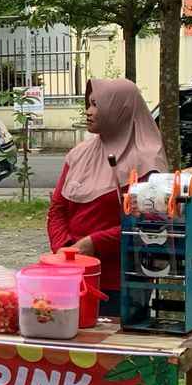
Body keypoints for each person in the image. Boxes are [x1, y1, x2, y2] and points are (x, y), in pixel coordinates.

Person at [48, 79, 166, 303]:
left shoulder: (147, 160)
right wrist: (65, 249)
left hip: (120, 280)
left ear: (119, 109)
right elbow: (58, 208)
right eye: (89, 104)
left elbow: (148, 223)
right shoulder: (79, 154)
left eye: (96, 105)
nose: (88, 112)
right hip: (73, 273)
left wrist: (94, 243)